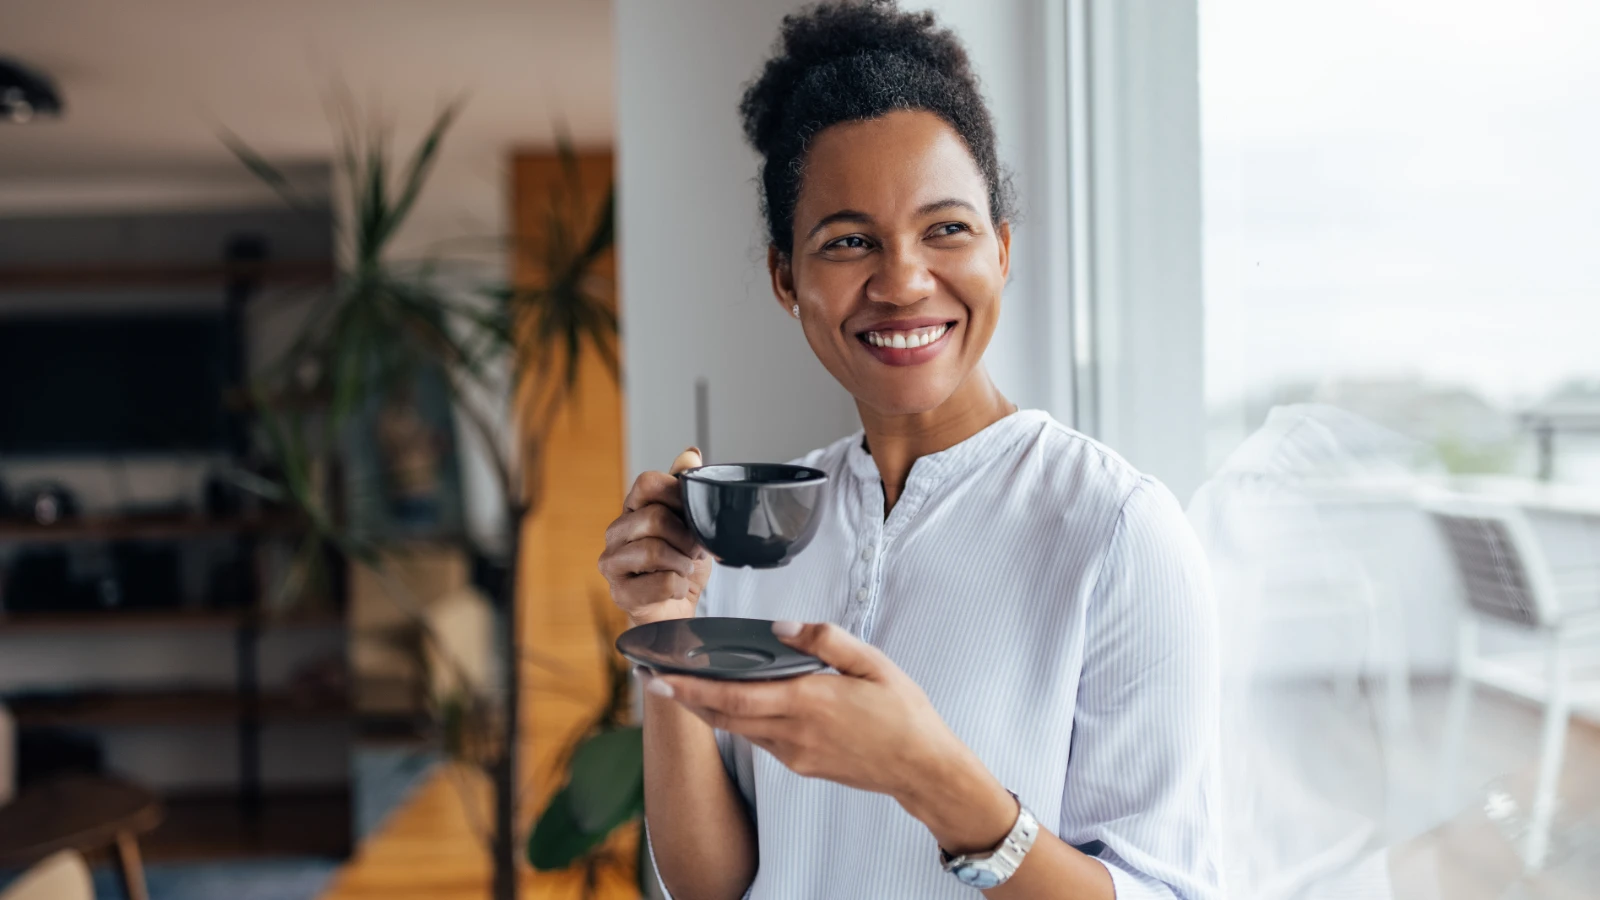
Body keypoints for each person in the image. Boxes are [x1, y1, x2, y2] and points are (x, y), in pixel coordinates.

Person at [598, 2, 1220, 897]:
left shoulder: (1117, 531)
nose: (902, 281)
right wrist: (665, 628)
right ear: (787, 278)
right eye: (849, 241)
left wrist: (927, 774)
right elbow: (717, 885)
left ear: (1002, 250)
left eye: (947, 229)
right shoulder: (755, 539)